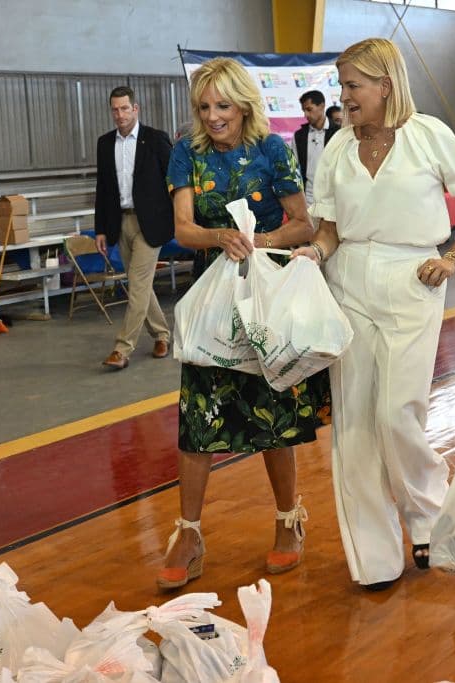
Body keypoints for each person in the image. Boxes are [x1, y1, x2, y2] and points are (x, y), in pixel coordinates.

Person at [295, 38, 455, 591]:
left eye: (352, 85)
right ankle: (374, 557)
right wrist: (314, 252)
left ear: (385, 85)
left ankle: (428, 518)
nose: (343, 96)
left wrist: (453, 257)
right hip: (349, 281)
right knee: (354, 424)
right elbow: (330, 229)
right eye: (341, 85)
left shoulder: (428, 136)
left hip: (414, 279)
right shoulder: (335, 148)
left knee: (396, 414)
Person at [159, 57, 329, 590]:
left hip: (264, 296)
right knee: (198, 416)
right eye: (204, 107)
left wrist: (261, 243)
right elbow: (184, 229)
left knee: (272, 409)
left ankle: (287, 521)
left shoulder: (273, 150)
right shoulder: (186, 152)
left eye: (223, 106)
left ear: (245, 105)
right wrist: (218, 238)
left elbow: (303, 222)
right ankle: (188, 534)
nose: (212, 117)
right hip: (213, 298)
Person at [95, 86, 174, 370]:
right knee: (140, 285)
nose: (119, 115)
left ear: (135, 108)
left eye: (124, 108)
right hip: (121, 221)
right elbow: (102, 188)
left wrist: (177, 216)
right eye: (115, 110)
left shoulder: (155, 139)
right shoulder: (105, 144)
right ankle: (162, 334)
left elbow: (174, 180)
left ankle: (122, 349)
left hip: (151, 223)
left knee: (138, 284)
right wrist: (101, 228)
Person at [294, 90, 340, 205]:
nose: (306, 114)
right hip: (308, 199)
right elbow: (294, 168)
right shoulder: (299, 135)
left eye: (309, 109)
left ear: (322, 106)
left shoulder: (339, 132)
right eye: (304, 110)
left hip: (334, 198)